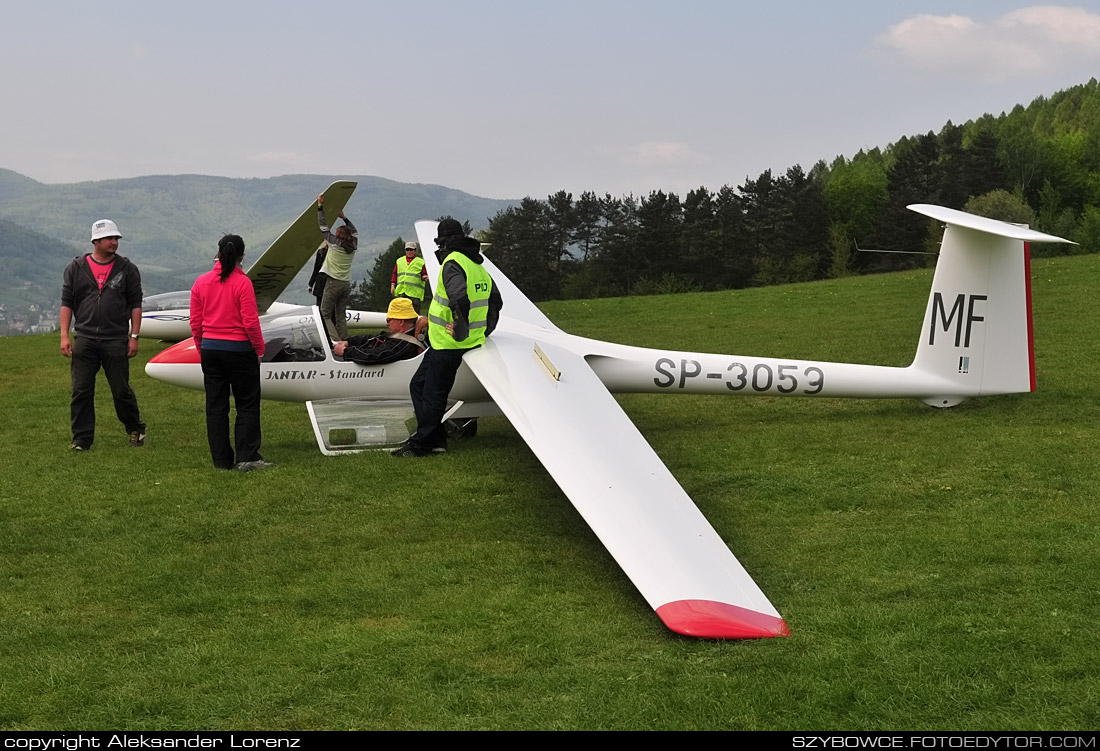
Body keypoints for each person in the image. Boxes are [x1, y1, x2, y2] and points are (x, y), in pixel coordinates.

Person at [393, 219, 502, 457]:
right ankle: (435, 437)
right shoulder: (477, 265)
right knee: (419, 385)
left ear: (443, 242)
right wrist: (483, 330)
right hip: (447, 340)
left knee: (434, 393)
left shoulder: (452, 263)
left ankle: (423, 445)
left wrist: (461, 332)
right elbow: (496, 301)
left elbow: (460, 299)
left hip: (449, 343)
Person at [60, 219, 147, 451]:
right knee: (81, 391)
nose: (114, 242)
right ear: (95, 241)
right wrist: (64, 335)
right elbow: (67, 303)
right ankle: (81, 439)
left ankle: (135, 429)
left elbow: (135, 304)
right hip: (85, 339)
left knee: (121, 390)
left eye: (116, 238)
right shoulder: (75, 268)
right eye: (109, 238)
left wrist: (134, 336)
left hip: (115, 339)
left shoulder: (128, 269)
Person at [190, 234, 272, 472]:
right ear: (241, 256)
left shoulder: (200, 282)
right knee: (246, 404)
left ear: (218, 253)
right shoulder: (242, 283)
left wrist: (201, 347)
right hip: (239, 350)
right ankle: (246, 456)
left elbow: (195, 322)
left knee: (216, 406)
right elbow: (250, 322)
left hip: (210, 349)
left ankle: (221, 461)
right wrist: (259, 349)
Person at [333, 297, 426, 365]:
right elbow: (374, 338)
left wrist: (346, 352)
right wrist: (349, 342)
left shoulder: (402, 345)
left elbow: (374, 356)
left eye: (389, 320)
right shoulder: (399, 337)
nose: (387, 324)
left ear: (401, 322)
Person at [316, 193, 358, 341]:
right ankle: (345, 339)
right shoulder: (353, 246)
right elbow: (355, 232)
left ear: (339, 235)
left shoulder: (335, 243)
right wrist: (344, 217)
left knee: (325, 313)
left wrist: (320, 206)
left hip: (333, 283)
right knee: (340, 315)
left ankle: (336, 342)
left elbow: (323, 228)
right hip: (346, 284)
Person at [390, 242, 429, 313]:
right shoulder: (399, 261)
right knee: (401, 313)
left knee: (413, 314)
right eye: (407, 250)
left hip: (415, 294)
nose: (409, 252)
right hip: (401, 292)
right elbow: (395, 274)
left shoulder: (421, 262)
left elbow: (424, 274)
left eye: (411, 250)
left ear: (415, 251)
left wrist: (425, 277)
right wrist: (393, 285)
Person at [307, 240, 328, 309]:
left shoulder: (321, 253)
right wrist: (310, 284)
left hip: (322, 281)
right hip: (323, 281)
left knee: (320, 304)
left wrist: (311, 284)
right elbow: (316, 269)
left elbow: (316, 269)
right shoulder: (320, 252)